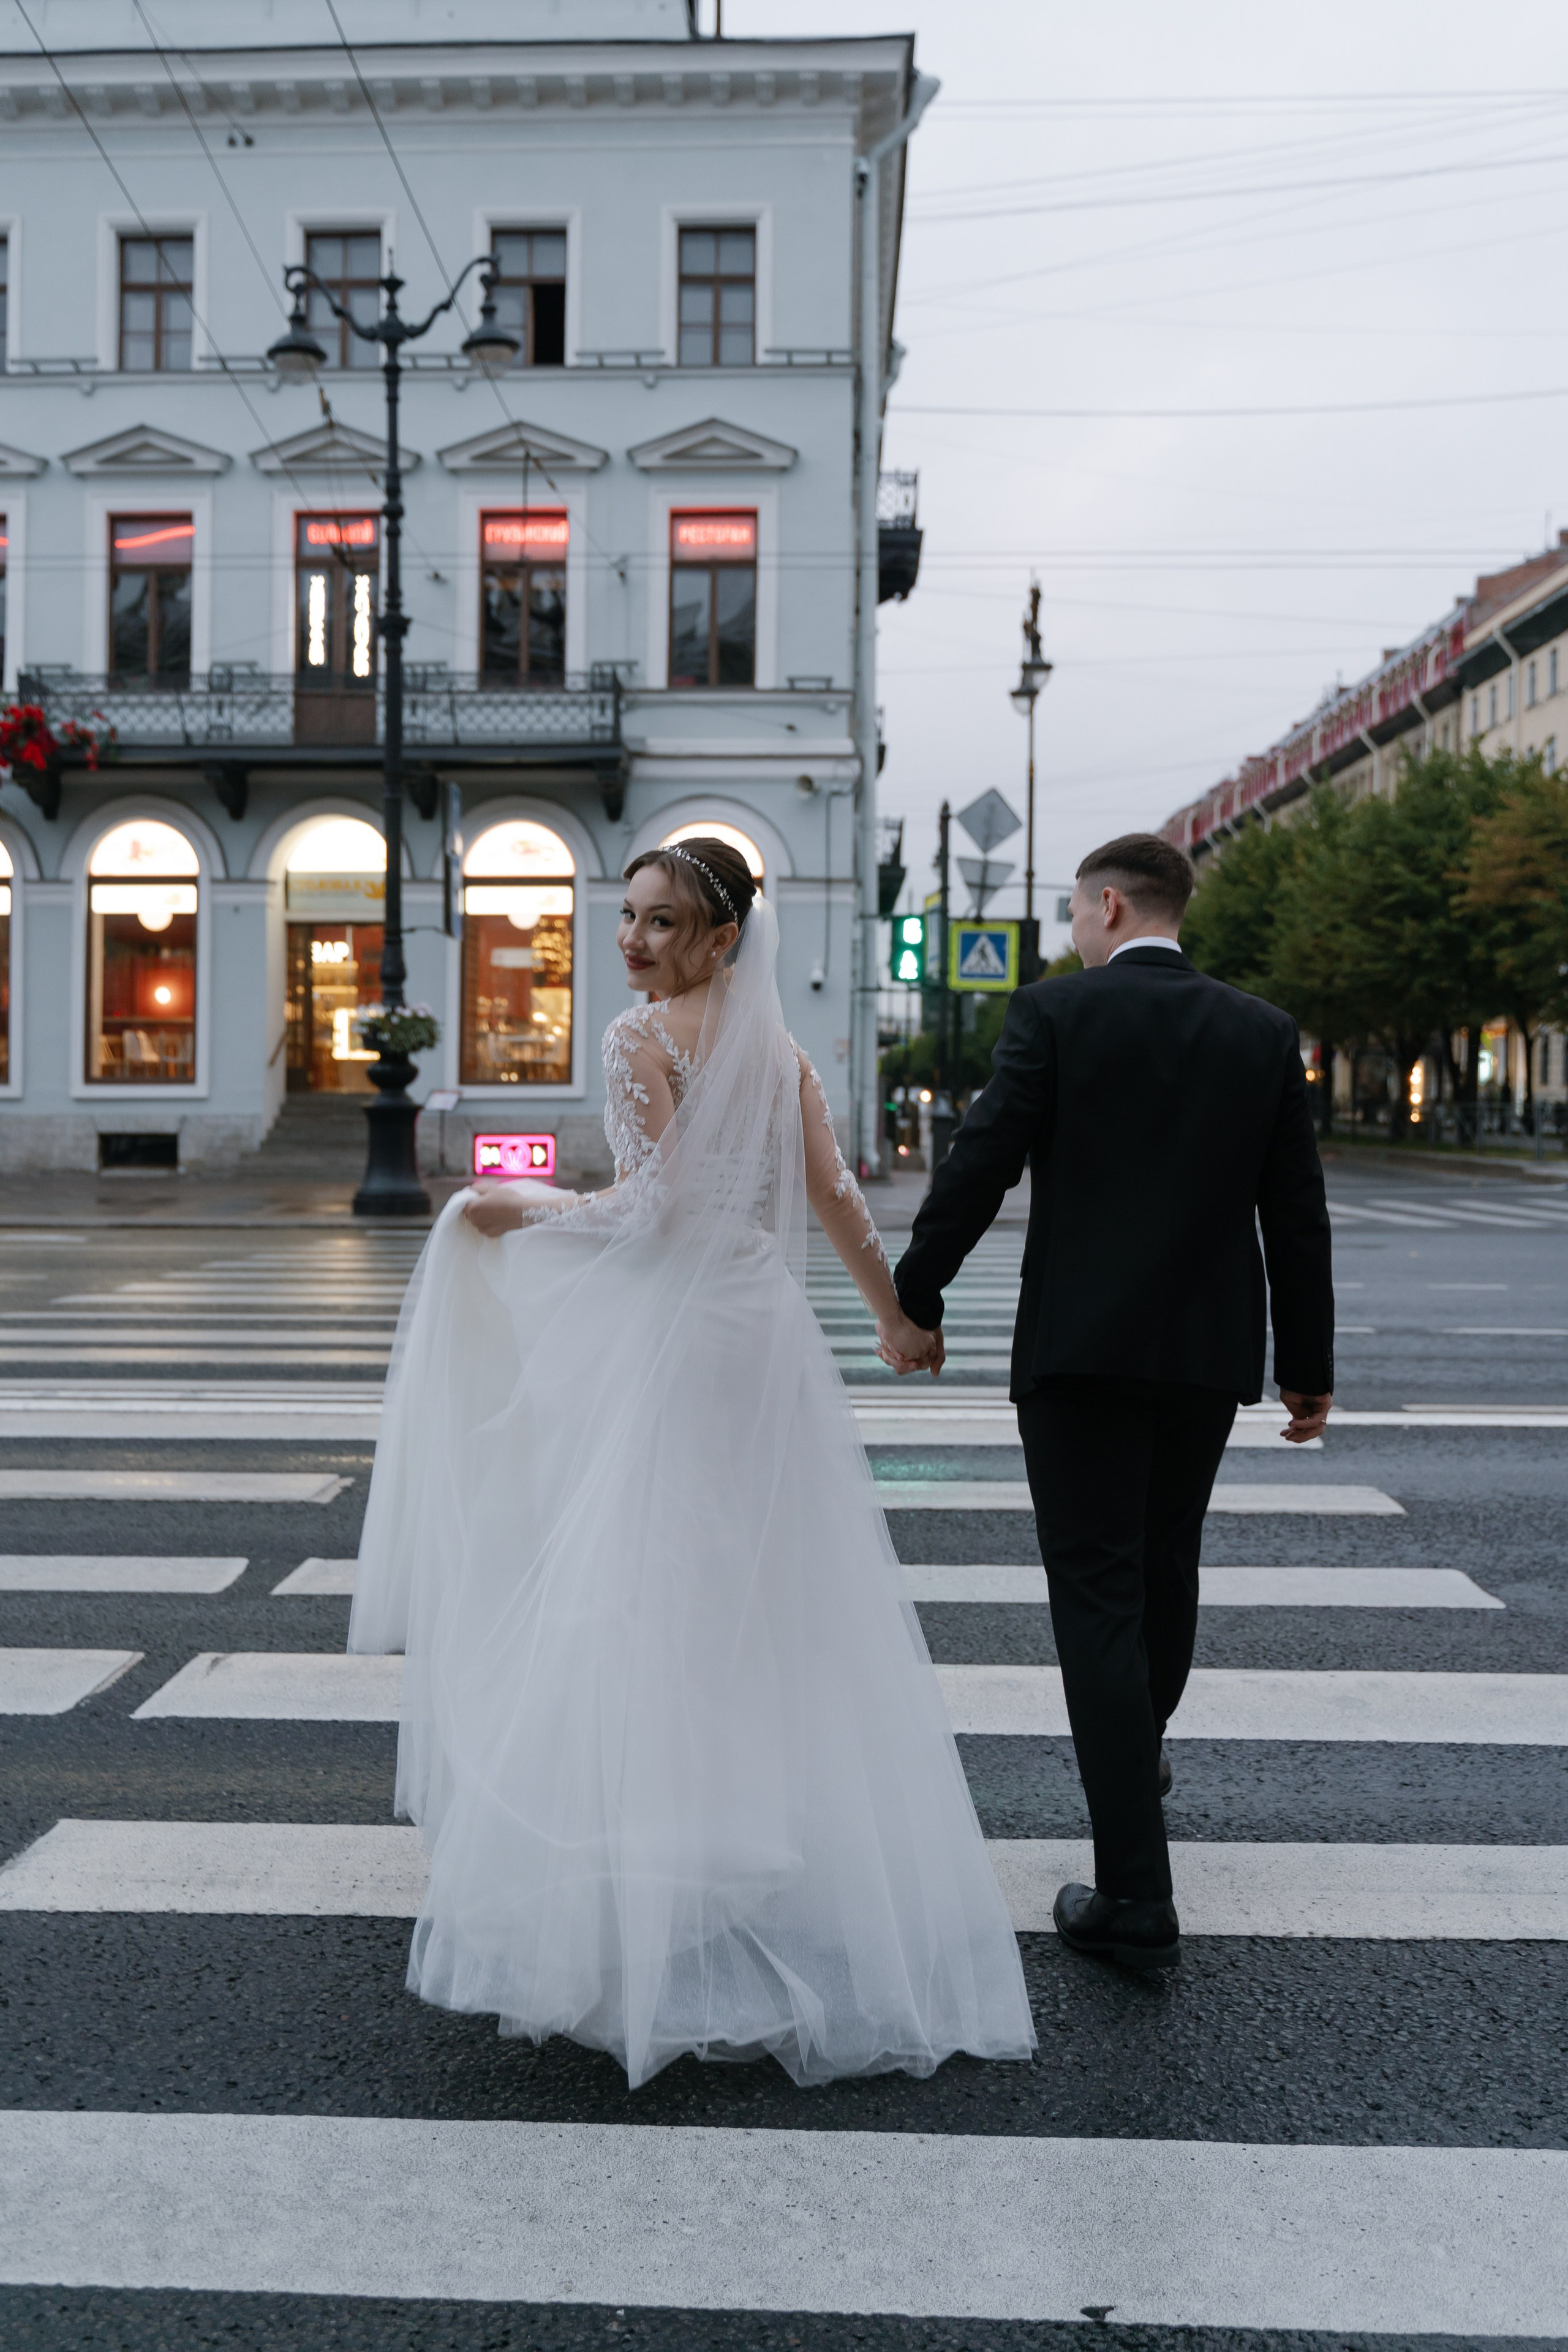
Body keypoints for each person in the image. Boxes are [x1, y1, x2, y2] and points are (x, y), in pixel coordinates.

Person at [350, 837, 1035, 2087]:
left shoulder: (636, 1041)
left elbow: (651, 1212)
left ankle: (652, 1872)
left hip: (674, 1346)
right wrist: (892, 1316)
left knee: (646, 1591)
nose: (634, 943)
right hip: (759, 1336)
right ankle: (738, 1846)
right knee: (750, 1594)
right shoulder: (776, 1050)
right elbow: (831, 1195)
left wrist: (511, 1209)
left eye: (662, 924)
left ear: (721, 938)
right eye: (628, 919)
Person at [894, 832, 1334, 1972]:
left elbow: (983, 1159)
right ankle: (1139, 1760)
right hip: (1205, 1353)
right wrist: (1309, 1363)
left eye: (1076, 913)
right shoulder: (1261, 1030)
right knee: (1163, 1566)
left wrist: (916, 1292)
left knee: (1095, 1595)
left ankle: (1137, 1895)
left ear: (1105, 905)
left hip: (1079, 1352)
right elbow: (1295, 1213)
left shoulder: (1056, 1015)